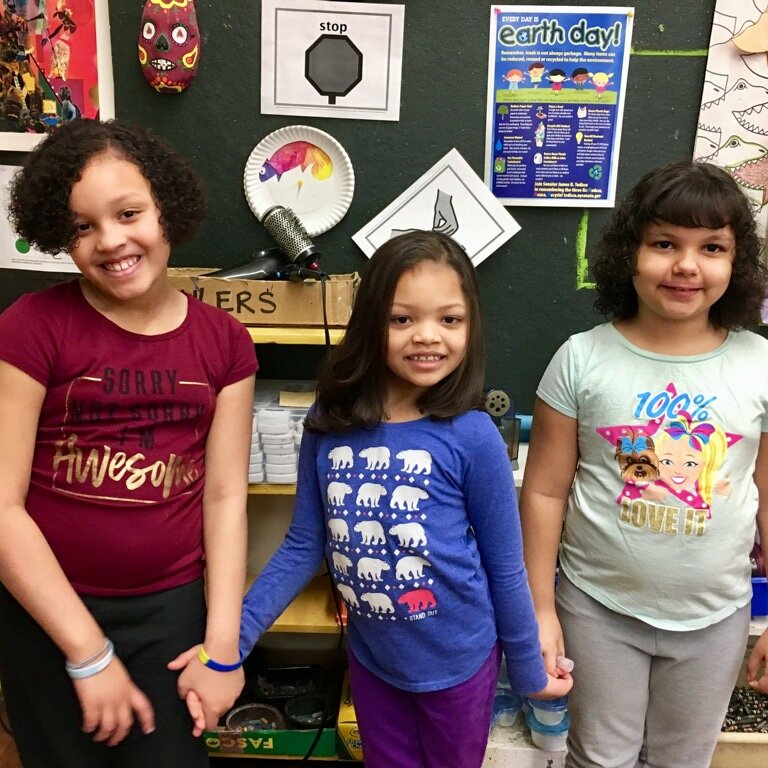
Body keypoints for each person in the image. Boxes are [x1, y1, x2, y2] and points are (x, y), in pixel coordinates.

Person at [171, 230, 571, 768]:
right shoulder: (327, 426)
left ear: (470, 326)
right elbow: (301, 547)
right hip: (374, 662)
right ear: (369, 324)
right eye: (402, 319)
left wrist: (528, 674)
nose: (427, 337)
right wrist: (228, 649)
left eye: (449, 319)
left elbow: (506, 567)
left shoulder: (473, 436)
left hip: (459, 666)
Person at [0, 119, 257, 768]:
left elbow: (225, 499)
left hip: (170, 620)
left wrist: (223, 647)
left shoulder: (225, 343)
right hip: (47, 618)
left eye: (128, 213)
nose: (111, 240)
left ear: (165, 207)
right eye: (82, 226)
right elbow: (2, 507)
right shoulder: (32, 327)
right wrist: (87, 653)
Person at [520, 160, 768, 768]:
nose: (686, 265)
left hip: (716, 617)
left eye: (712, 247)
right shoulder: (581, 359)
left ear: (736, 263)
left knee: (682, 761)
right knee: (599, 758)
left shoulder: (759, 363)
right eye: (665, 243)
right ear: (629, 252)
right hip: (596, 609)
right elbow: (545, 492)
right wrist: (538, 609)